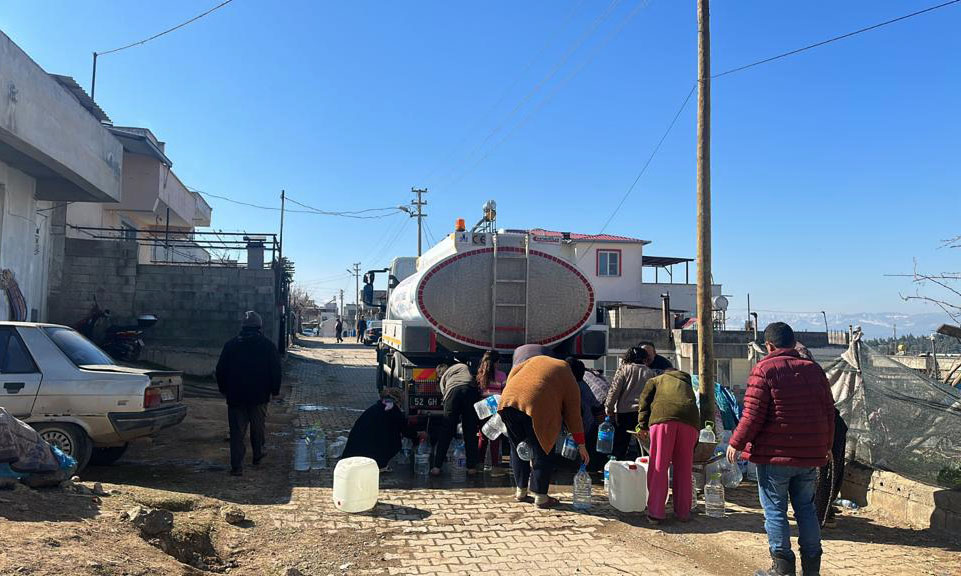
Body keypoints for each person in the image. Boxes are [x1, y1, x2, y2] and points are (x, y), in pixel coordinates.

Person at [727, 322, 835, 576]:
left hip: (774, 456)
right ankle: (812, 568)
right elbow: (829, 411)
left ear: (769, 346)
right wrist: (826, 446)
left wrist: (736, 442)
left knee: (775, 510)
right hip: (809, 456)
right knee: (806, 509)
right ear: (793, 342)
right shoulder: (814, 370)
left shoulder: (764, 369)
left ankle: (782, 567)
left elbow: (752, 414)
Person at [498, 345, 588, 509]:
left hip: (507, 402)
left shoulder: (536, 360)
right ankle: (541, 496)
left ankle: (521, 491)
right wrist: (581, 445)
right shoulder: (567, 373)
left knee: (518, 448)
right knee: (543, 449)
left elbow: (513, 373)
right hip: (535, 405)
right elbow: (574, 415)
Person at [216, 311, 282, 477]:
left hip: (236, 395)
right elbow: (275, 370)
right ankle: (257, 455)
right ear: (259, 327)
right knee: (257, 428)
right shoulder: (267, 346)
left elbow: (220, 370)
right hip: (259, 396)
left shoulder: (231, 345)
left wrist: (223, 389)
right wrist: (275, 390)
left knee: (237, 432)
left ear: (243, 327)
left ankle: (237, 466)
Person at [635, 369, 701, 524]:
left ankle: (655, 513)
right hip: (690, 424)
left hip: (663, 420)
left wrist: (642, 426)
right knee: (684, 468)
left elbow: (644, 401)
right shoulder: (687, 384)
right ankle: (683, 512)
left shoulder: (656, 380)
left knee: (659, 465)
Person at [342, 387, 424, 469]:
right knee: (395, 443)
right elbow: (406, 431)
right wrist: (418, 434)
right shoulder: (393, 411)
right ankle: (379, 463)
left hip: (352, 453)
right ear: (398, 400)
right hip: (365, 456)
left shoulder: (376, 408)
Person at [605, 347, 656, 460]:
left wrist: (609, 408)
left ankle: (616, 468)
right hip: (642, 414)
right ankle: (645, 468)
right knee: (642, 444)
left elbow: (614, 390)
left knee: (620, 444)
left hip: (624, 414)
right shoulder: (650, 372)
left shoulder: (624, 369)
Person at [431, 361, 480, 476]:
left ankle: (437, 467)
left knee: (446, 430)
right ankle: (471, 468)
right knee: (470, 431)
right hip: (470, 392)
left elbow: (445, 395)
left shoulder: (443, 379)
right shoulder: (462, 366)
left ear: (440, 375)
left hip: (453, 394)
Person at [565, 357, 602, 467]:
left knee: (580, 449)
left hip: (583, 423)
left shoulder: (574, 387)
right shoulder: (583, 384)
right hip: (589, 422)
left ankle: (580, 468)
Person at [476, 350, 507, 474]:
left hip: (483, 408)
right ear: (496, 362)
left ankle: (479, 464)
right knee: (495, 437)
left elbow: (478, 392)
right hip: (496, 408)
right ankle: (495, 466)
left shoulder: (480, 375)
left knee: (482, 436)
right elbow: (505, 393)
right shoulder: (502, 376)